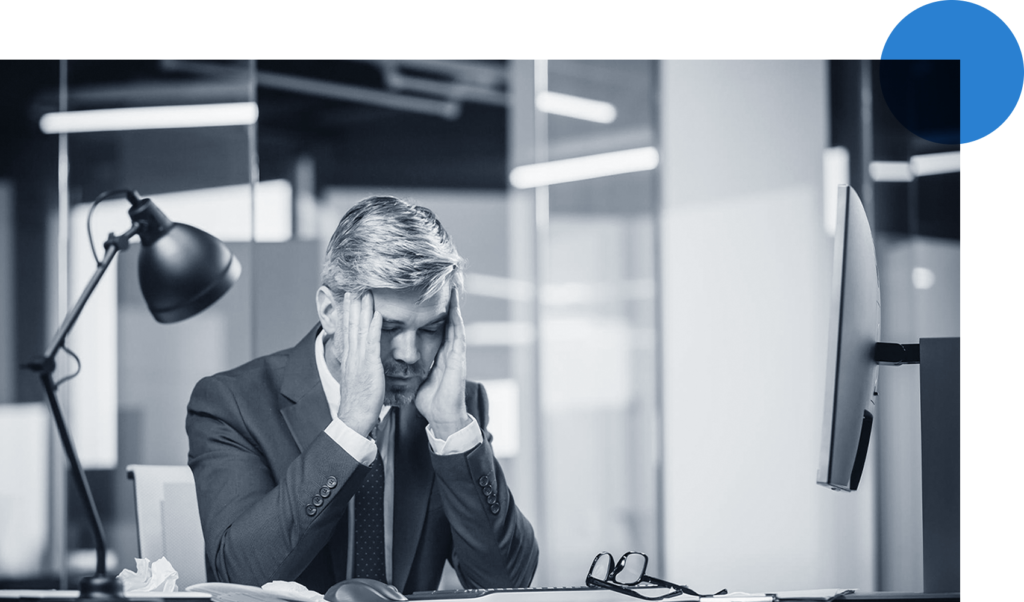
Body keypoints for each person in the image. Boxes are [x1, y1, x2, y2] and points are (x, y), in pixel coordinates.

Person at [186, 196, 539, 595]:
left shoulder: (453, 408)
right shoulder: (233, 403)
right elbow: (239, 577)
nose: (410, 354)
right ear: (330, 311)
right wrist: (351, 427)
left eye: (430, 329)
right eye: (389, 328)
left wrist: (451, 430)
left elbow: (509, 584)